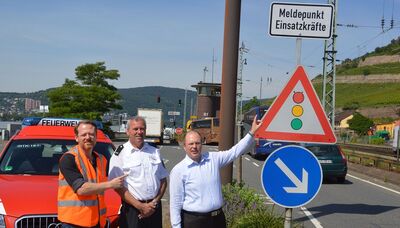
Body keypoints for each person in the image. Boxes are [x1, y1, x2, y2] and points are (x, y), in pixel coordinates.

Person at [169, 116, 262, 228]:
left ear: (201, 144)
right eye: (191, 144)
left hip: (218, 219)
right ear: (184, 147)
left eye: (197, 143)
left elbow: (234, 152)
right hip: (194, 222)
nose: (194, 147)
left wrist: (251, 132)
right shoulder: (179, 170)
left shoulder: (212, 159)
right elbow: (175, 204)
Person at [58, 120, 127, 228]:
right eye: (84, 134)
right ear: (76, 138)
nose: (88, 137)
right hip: (74, 223)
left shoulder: (101, 159)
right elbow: (81, 189)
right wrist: (111, 184)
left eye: (91, 134)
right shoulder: (69, 159)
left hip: (97, 222)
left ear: (96, 137)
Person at [109, 116, 168, 228]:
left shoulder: (154, 151)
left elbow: (163, 180)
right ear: (127, 131)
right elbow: (117, 186)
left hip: (154, 208)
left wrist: (154, 203)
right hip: (133, 209)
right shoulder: (120, 154)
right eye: (135, 129)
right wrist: (140, 206)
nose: (139, 132)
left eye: (142, 129)